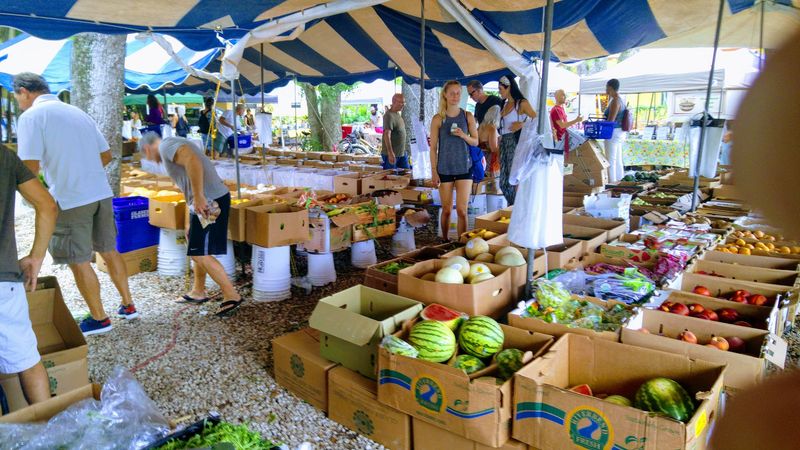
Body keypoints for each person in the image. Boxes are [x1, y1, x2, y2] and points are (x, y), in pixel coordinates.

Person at [14, 72, 138, 336]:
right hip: (100, 192)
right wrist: (83, 171)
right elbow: (105, 155)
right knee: (109, 250)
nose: (18, 102)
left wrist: (47, 192)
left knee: (78, 260)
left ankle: (99, 318)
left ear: (24, 91)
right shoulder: (76, 112)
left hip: (70, 198)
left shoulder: (31, 118)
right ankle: (129, 305)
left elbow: (29, 169)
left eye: (17, 97)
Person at [137, 132, 243, 317]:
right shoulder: (171, 146)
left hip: (210, 200)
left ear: (146, 148)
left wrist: (200, 197)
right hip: (206, 200)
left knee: (199, 252)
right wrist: (189, 220)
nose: (151, 161)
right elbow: (188, 185)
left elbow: (193, 160)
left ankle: (231, 294)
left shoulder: (166, 145)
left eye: (146, 156)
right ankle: (198, 291)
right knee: (197, 248)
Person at [1, 146, 57, 407]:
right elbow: (47, 205)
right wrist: (36, 257)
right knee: (27, 361)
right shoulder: (4, 155)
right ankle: (49, 433)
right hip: (4, 282)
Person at [430, 80, 479, 242]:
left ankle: (461, 242)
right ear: (445, 94)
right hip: (444, 168)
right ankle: (444, 240)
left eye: (458, 93)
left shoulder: (467, 116)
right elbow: (433, 148)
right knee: (446, 209)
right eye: (452, 93)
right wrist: (434, 171)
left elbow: (476, 141)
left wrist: (463, 135)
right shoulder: (438, 119)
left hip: (464, 168)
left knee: (462, 211)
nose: (455, 96)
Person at [498, 75, 537, 206]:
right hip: (504, 141)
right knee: (503, 179)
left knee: (514, 176)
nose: (499, 92)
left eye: (501, 89)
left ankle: (517, 206)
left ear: (509, 87)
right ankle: (513, 204)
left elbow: (537, 119)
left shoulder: (521, 103)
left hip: (516, 141)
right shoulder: (503, 104)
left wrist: (522, 125)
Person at [603, 78, 627, 183]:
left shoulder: (615, 101)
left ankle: (611, 183)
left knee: (610, 160)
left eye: (607, 88)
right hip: (621, 132)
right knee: (618, 159)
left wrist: (601, 123)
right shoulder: (621, 100)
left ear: (611, 88)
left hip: (613, 132)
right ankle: (620, 181)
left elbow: (611, 120)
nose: (605, 90)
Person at [550, 89, 583, 159]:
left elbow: (565, 124)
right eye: (563, 95)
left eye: (565, 95)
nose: (565, 96)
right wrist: (576, 120)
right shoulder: (556, 110)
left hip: (565, 138)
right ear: (556, 97)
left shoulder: (561, 108)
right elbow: (562, 125)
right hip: (560, 140)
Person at [381, 94, 409, 170]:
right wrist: (390, 152)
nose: (403, 105)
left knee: (406, 175)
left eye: (404, 103)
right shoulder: (388, 116)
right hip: (392, 154)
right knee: (391, 178)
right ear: (393, 102)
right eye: (401, 102)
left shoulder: (398, 115)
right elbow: (387, 134)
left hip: (401, 153)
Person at [478, 105, 501, 177]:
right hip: (489, 161)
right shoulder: (492, 128)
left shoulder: (481, 126)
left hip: (480, 157)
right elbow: (493, 148)